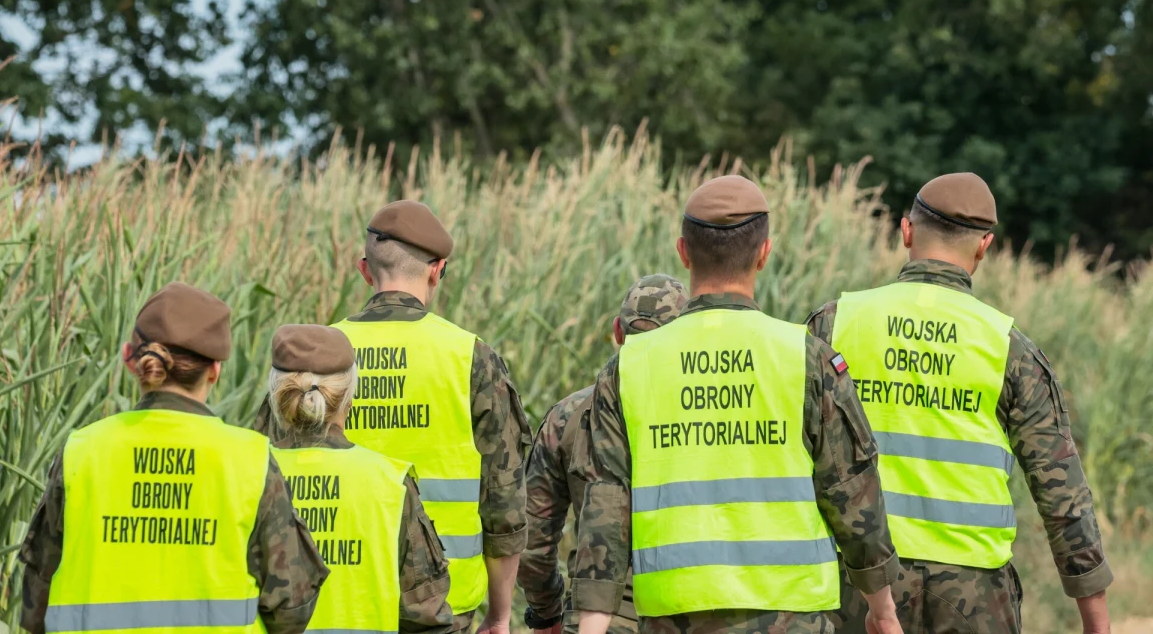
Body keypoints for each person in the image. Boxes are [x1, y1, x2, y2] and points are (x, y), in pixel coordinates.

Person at [570, 174, 904, 634]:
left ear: (683, 252)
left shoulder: (629, 366)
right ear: (764, 253)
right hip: (792, 617)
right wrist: (882, 610)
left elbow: (605, 506)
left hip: (674, 618)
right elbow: (851, 493)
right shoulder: (807, 358)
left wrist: (591, 623)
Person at [807, 173, 1113, 634]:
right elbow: (1062, 496)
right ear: (984, 246)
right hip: (975, 596)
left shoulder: (835, 324)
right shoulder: (1007, 347)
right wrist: (1098, 623)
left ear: (907, 230)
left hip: (860, 585)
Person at [19, 282, 328, 634]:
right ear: (215, 370)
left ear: (128, 359)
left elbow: (36, 595)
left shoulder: (82, 451)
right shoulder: (248, 459)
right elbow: (291, 606)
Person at [332, 199, 532, 633]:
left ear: (365, 270)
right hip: (444, 602)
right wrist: (499, 615)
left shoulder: (319, 354)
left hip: (337, 598)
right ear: (437, 270)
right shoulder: (469, 355)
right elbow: (504, 499)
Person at [520, 274, 689, 634]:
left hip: (595, 615)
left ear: (617, 331)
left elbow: (533, 536)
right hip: (689, 609)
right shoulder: (705, 416)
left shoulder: (568, 415)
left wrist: (545, 610)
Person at [264, 323, 457, 634]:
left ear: (277, 396)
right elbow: (425, 615)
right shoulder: (390, 482)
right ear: (348, 396)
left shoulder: (248, 473)